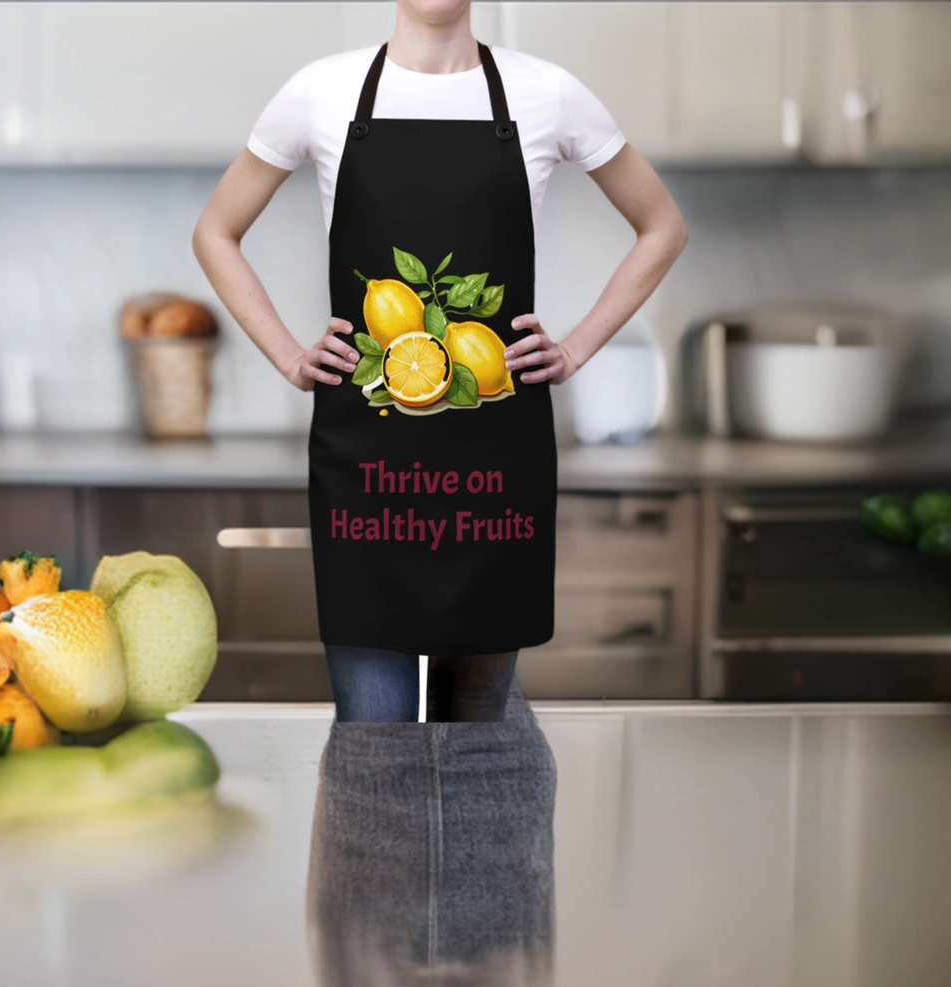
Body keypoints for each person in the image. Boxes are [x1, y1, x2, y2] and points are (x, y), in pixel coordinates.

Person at [193, 0, 688, 723]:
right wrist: (289, 357)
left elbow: (663, 226)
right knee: (373, 737)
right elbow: (215, 231)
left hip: (492, 489)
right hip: (368, 485)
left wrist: (577, 347)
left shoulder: (546, 94)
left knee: (477, 742)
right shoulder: (320, 92)